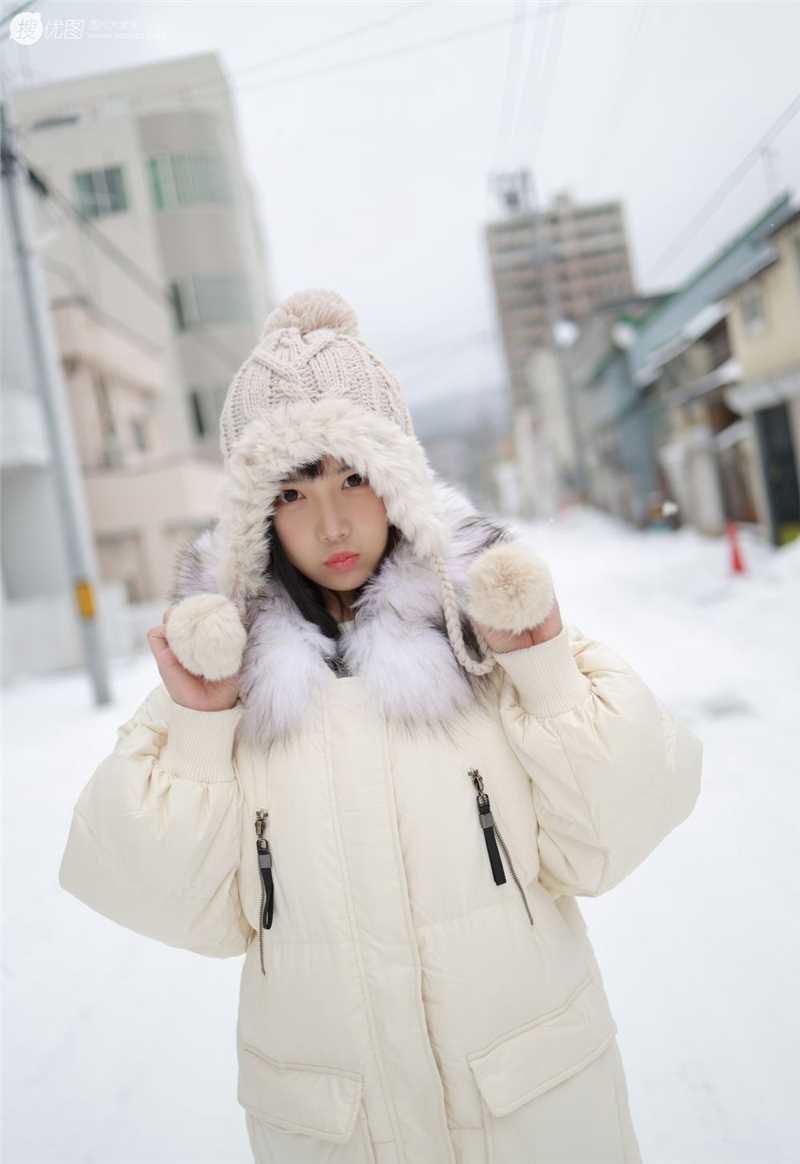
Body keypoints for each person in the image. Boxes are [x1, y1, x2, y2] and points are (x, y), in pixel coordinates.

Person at [59, 289, 703, 1164]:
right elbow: (168, 903)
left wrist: (546, 671)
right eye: (292, 491)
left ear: (400, 482)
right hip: (339, 1133)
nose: (331, 522)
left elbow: (615, 833)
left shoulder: (485, 635)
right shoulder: (226, 683)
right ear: (257, 519)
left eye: (355, 477)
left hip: (535, 1113)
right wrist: (199, 730)